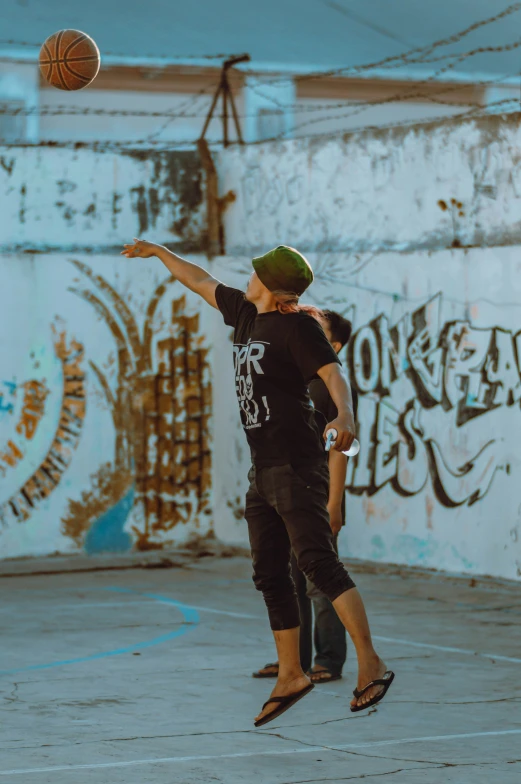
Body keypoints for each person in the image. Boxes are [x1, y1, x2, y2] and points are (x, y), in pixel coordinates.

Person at [121, 240, 394, 727]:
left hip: (296, 466)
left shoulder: (298, 327)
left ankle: (371, 664)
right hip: (263, 468)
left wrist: (346, 416)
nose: (245, 280)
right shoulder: (246, 315)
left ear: (269, 285)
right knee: (269, 573)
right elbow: (199, 279)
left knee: (319, 565)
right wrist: (159, 252)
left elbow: (335, 376)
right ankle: (291, 673)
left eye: (253, 275)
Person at [252, 310, 357, 685]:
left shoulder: (333, 386)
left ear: (335, 346)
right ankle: (292, 662)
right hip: (287, 490)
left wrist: (333, 504)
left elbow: (340, 450)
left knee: (320, 579)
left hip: (317, 493)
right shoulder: (296, 380)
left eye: (318, 332)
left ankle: (328, 659)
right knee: (288, 578)